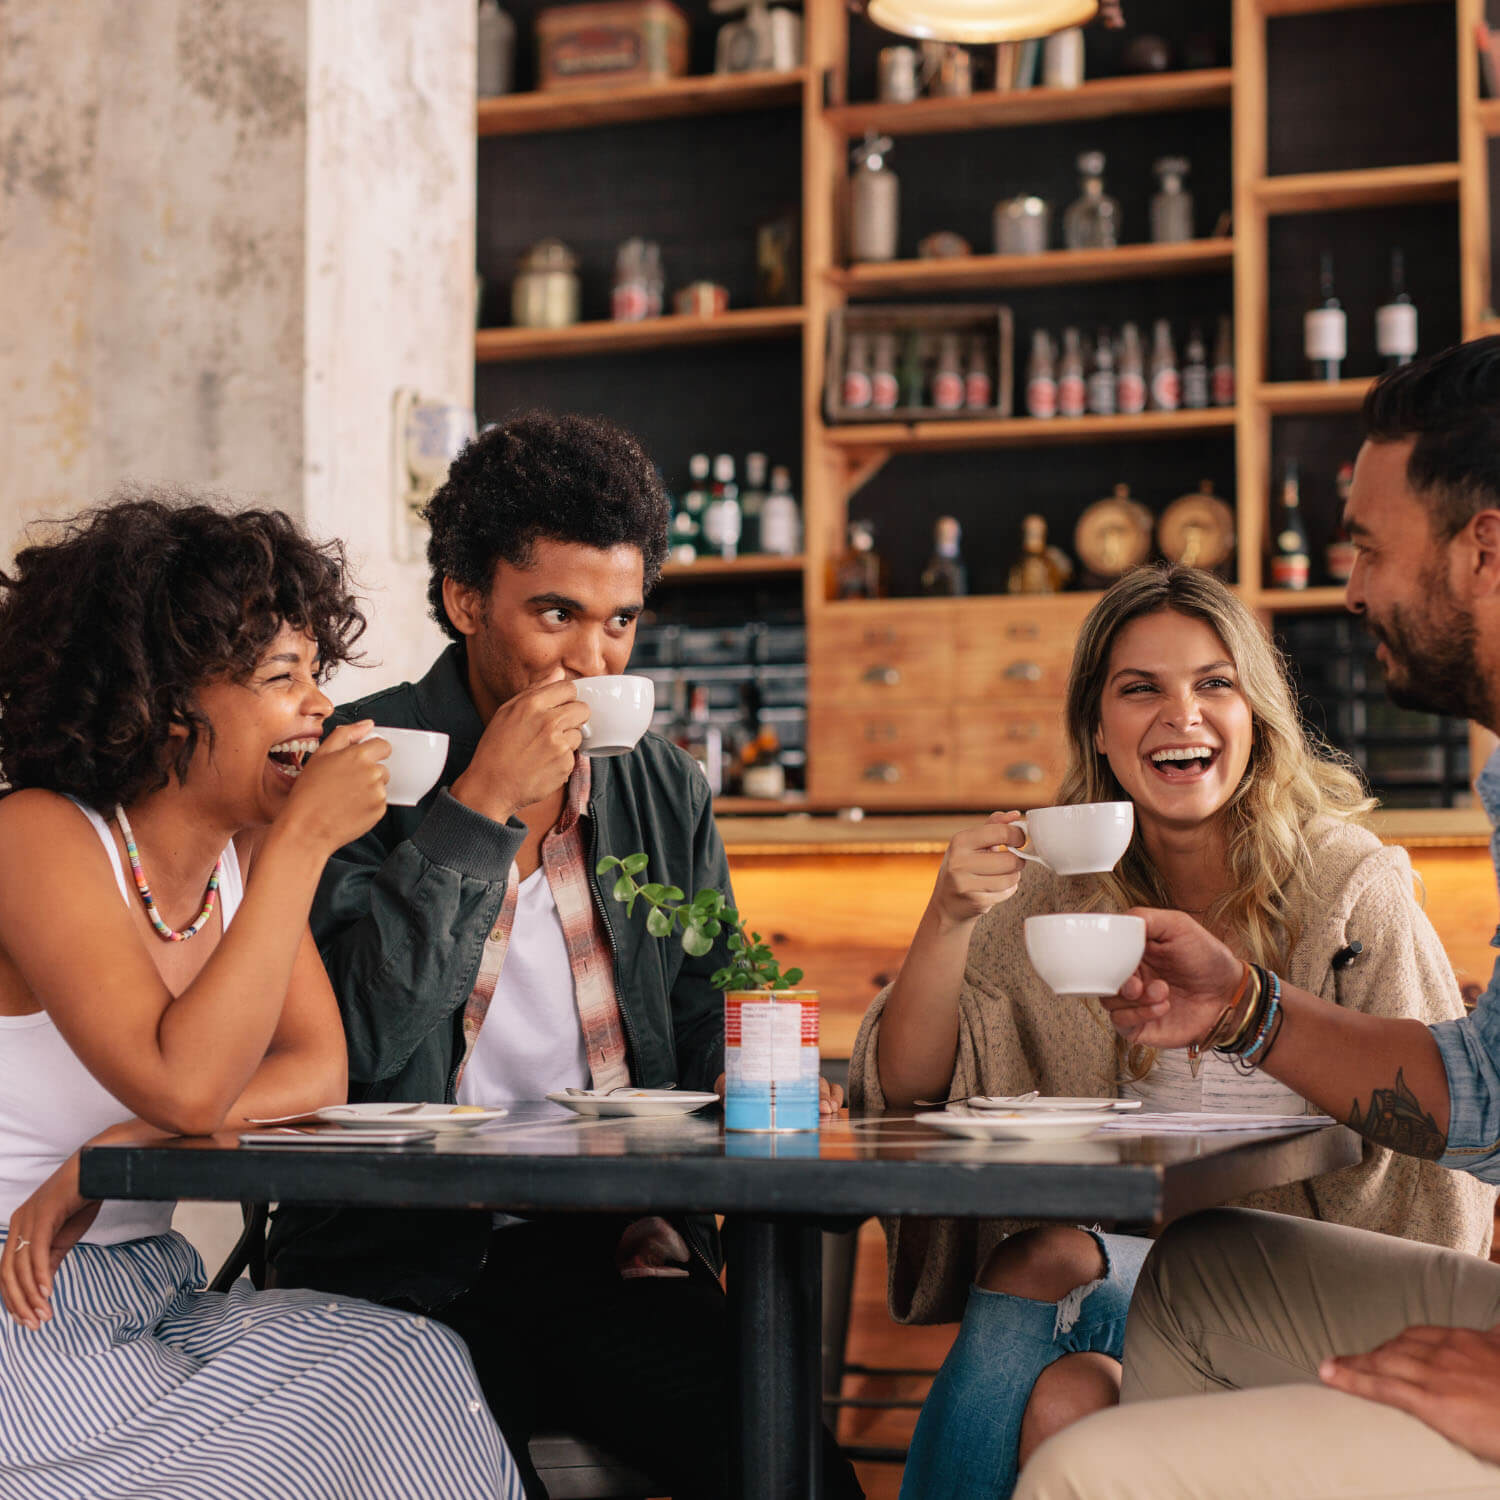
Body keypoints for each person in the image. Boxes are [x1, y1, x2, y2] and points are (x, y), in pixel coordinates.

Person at [265, 410, 859, 1500]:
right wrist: (481, 802)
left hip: (611, 1261)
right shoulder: (360, 763)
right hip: (400, 1268)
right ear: (463, 599)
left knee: (796, 1469)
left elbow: (703, 1007)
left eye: (621, 621)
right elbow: (353, 1043)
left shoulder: (662, 788)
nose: (593, 659)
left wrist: (749, 1071)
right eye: (557, 614)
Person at [849, 563, 1496, 1500]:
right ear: (1100, 732)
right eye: (1140, 689)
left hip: (1290, 1297)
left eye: (1213, 684)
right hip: (1129, 1288)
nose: (1180, 714)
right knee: (1054, 1307)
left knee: (1064, 1350)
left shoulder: (1347, 888)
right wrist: (946, 917)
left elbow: (1433, 1175)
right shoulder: (1055, 890)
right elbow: (905, 1087)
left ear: (1256, 718)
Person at [1011, 336, 1500, 1500]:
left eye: (1372, 550)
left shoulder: (1352, 876)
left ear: (1484, 548)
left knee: (1082, 1462)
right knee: (1201, 1267)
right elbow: (1484, 1098)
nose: (1350, 591)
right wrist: (1243, 1006)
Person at [0, 494, 522, 1500]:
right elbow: (188, 1087)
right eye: (283, 678)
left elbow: (315, 1072)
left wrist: (116, 1155)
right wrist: (302, 844)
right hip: (21, 1316)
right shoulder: (38, 837)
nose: (320, 707)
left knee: (408, 1363)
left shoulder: (242, 858)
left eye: (317, 674)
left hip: (148, 1298)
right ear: (157, 700)